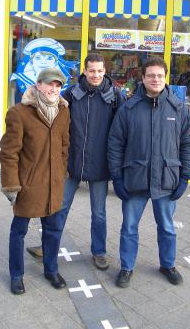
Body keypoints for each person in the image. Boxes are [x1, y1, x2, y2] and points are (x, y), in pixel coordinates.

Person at [27, 53, 126, 270]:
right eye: (92, 70)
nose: (96, 75)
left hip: (101, 164)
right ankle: (48, 247)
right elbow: (56, 124)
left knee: (99, 212)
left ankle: (99, 251)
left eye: (100, 71)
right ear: (84, 71)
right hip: (72, 163)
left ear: (104, 71)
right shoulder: (71, 94)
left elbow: (121, 132)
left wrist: (117, 164)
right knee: (59, 207)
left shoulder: (116, 96)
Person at [107, 56, 190, 288]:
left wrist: (184, 176)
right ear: (143, 78)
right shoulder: (129, 108)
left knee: (167, 227)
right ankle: (126, 267)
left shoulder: (179, 109)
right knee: (128, 227)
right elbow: (115, 143)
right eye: (151, 75)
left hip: (166, 180)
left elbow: (188, 144)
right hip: (134, 179)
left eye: (159, 75)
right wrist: (116, 176)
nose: (155, 79)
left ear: (165, 77)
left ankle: (168, 264)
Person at [0, 67, 70, 294]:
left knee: (53, 230)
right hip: (28, 184)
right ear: (38, 85)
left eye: (58, 85)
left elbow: (64, 145)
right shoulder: (19, 113)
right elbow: (9, 152)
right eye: (50, 84)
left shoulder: (63, 111)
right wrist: (11, 185)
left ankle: (51, 270)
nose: (54, 89)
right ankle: (16, 275)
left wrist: (61, 171)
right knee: (18, 231)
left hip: (54, 184)